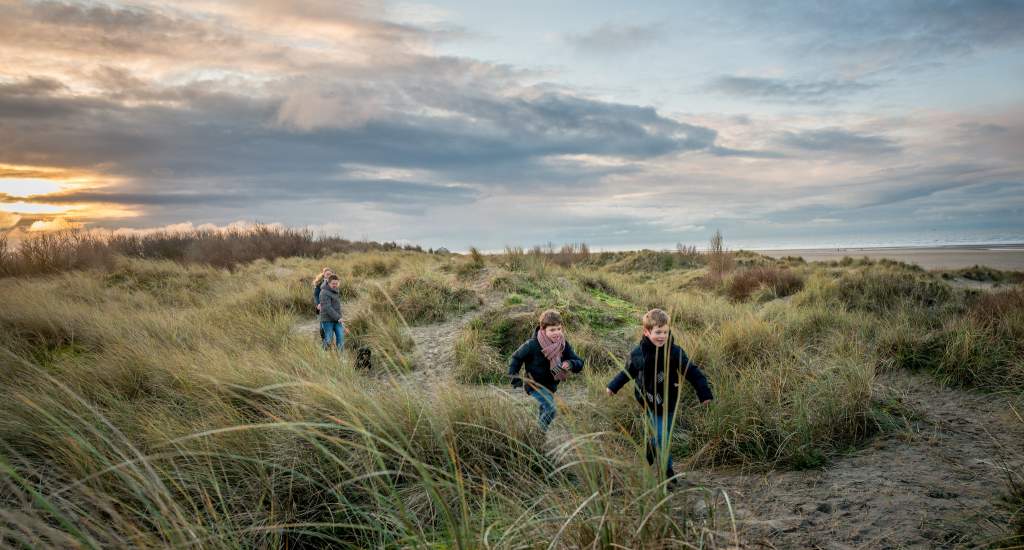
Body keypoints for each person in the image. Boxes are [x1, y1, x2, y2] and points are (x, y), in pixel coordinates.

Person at [606, 308, 712, 484]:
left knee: (664, 437)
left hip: (668, 402)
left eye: (665, 332)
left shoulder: (674, 352)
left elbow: (692, 371)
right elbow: (627, 372)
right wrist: (613, 386)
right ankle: (655, 451)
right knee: (660, 435)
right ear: (646, 332)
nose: (662, 336)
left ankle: (666, 472)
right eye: (657, 332)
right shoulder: (638, 353)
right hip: (646, 400)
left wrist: (704, 392)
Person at [508, 310, 584, 431]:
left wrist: (571, 363)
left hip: (551, 385)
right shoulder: (532, 344)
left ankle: (539, 437)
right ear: (543, 329)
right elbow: (516, 358)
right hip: (533, 384)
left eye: (559, 329)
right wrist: (514, 377)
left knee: (544, 409)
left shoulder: (562, 345)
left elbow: (579, 363)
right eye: (552, 330)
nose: (556, 333)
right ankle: (538, 434)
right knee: (551, 409)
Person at [319, 274, 348, 351]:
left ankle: (341, 358)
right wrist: (338, 317)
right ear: (328, 283)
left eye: (336, 283)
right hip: (327, 320)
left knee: (341, 338)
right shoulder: (324, 292)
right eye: (333, 284)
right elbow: (327, 307)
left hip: (337, 320)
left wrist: (340, 318)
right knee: (328, 339)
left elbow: (336, 307)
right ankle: (323, 355)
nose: (335, 285)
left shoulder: (336, 291)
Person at [313, 268, 333, 340]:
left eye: (330, 274)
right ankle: (324, 339)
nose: (328, 275)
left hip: (331, 307)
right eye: (327, 274)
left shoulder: (334, 283)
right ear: (324, 275)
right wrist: (318, 304)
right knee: (322, 325)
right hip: (321, 307)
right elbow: (316, 295)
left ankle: (329, 340)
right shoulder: (319, 284)